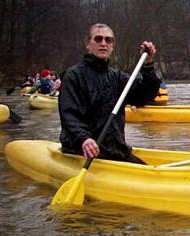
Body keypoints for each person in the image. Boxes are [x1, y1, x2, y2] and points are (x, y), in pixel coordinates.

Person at [59, 23, 161, 164]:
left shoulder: (117, 77)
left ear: (112, 46)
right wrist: (83, 139)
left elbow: (144, 96)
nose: (103, 44)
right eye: (98, 39)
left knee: (149, 173)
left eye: (108, 40)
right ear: (88, 44)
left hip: (114, 150)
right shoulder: (74, 75)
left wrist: (148, 64)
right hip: (83, 150)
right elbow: (69, 114)